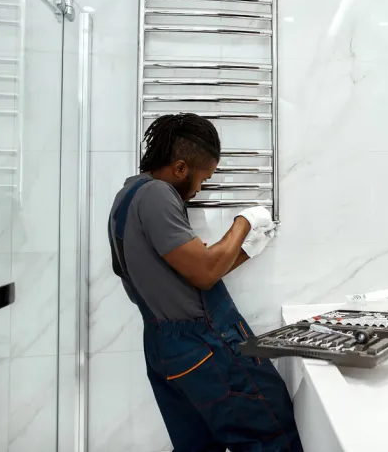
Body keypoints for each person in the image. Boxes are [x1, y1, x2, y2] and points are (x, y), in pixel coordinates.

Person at [107, 113, 303, 452]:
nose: (199, 189)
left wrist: (245, 251)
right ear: (180, 168)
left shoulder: (126, 197)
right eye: (203, 179)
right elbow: (205, 272)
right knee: (272, 437)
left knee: (198, 447)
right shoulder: (157, 195)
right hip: (205, 344)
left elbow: (184, 272)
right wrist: (244, 221)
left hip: (165, 347)